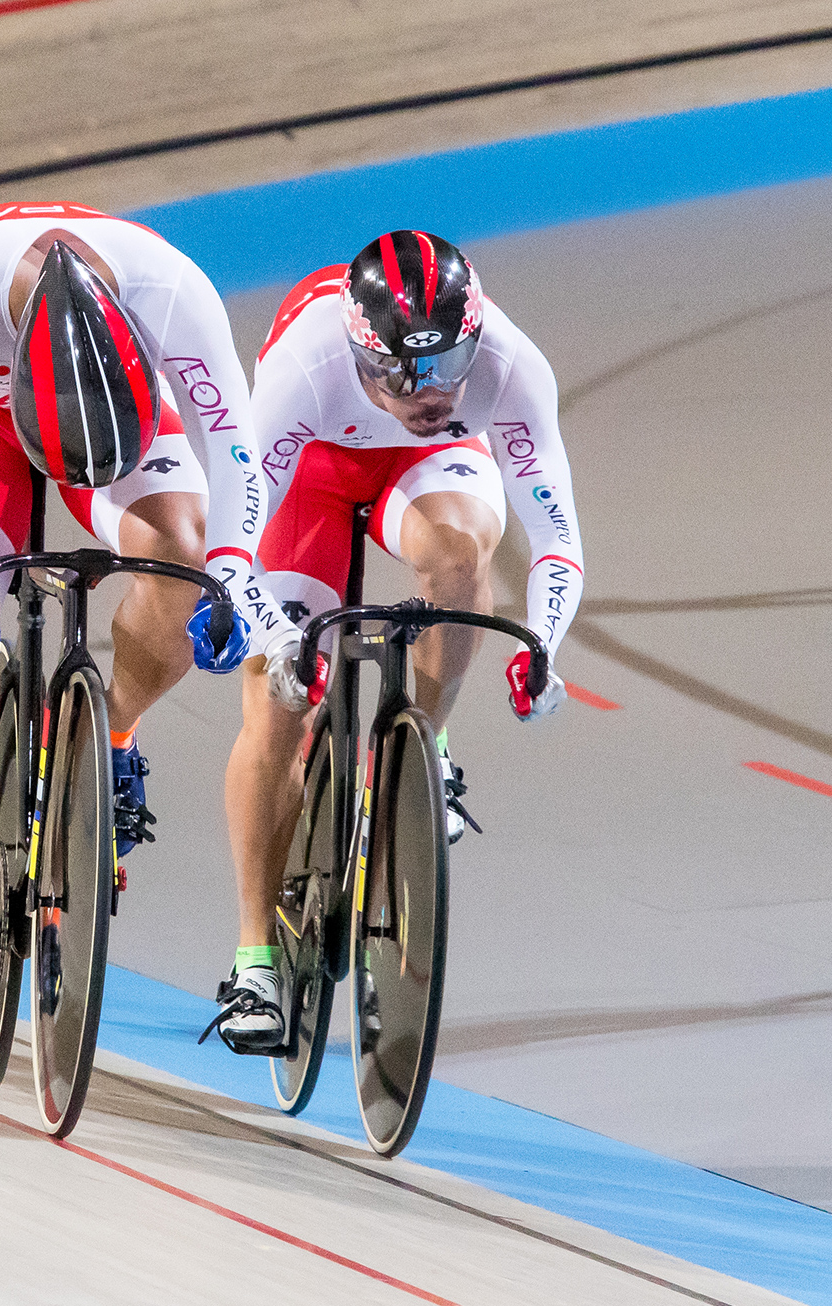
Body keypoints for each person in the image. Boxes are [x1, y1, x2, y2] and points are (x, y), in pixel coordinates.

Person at [0, 201, 254, 1017]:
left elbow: (241, 459)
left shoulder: (173, 290)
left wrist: (229, 579)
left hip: (118, 423)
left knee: (180, 559)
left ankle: (109, 732)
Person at [203, 231, 582, 1049]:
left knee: (458, 561)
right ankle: (255, 960)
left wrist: (542, 642)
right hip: (311, 471)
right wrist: (278, 638)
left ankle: (424, 748)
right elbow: (231, 544)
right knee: (275, 710)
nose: (428, 391)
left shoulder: (511, 368)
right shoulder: (301, 368)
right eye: (401, 374)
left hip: (427, 470)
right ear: (358, 353)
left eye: (447, 366)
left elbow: (556, 542)